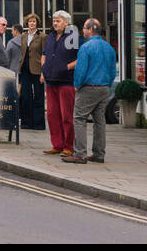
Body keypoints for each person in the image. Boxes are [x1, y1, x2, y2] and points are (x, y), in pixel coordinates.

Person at [64, 19, 116, 165]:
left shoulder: (86, 47)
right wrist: (107, 84)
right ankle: (99, 154)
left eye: (84, 29)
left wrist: (77, 85)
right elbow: (113, 71)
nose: (83, 32)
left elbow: (81, 69)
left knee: (79, 118)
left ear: (90, 30)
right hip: (104, 88)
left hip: (88, 87)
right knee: (100, 121)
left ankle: (79, 154)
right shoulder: (109, 48)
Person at [41, 10, 79, 156]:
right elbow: (44, 54)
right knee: (52, 115)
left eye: (58, 20)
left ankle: (68, 146)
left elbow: (80, 57)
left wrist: (65, 68)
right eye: (54, 20)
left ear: (67, 22)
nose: (55, 23)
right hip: (51, 81)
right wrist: (43, 69)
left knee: (66, 116)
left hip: (66, 81)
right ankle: (57, 144)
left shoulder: (73, 37)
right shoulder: (50, 36)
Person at [19, 14, 46, 130]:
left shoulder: (43, 36)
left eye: (34, 21)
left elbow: (45, 55)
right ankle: (26, 122)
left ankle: (39, 124)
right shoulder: (23, 36)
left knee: (38, 96)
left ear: (37, 23)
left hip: (37, 70)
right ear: (27, 23)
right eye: (30, 21)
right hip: (25, 70)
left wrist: (43, 73)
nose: (32, 23)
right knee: (25, 96)